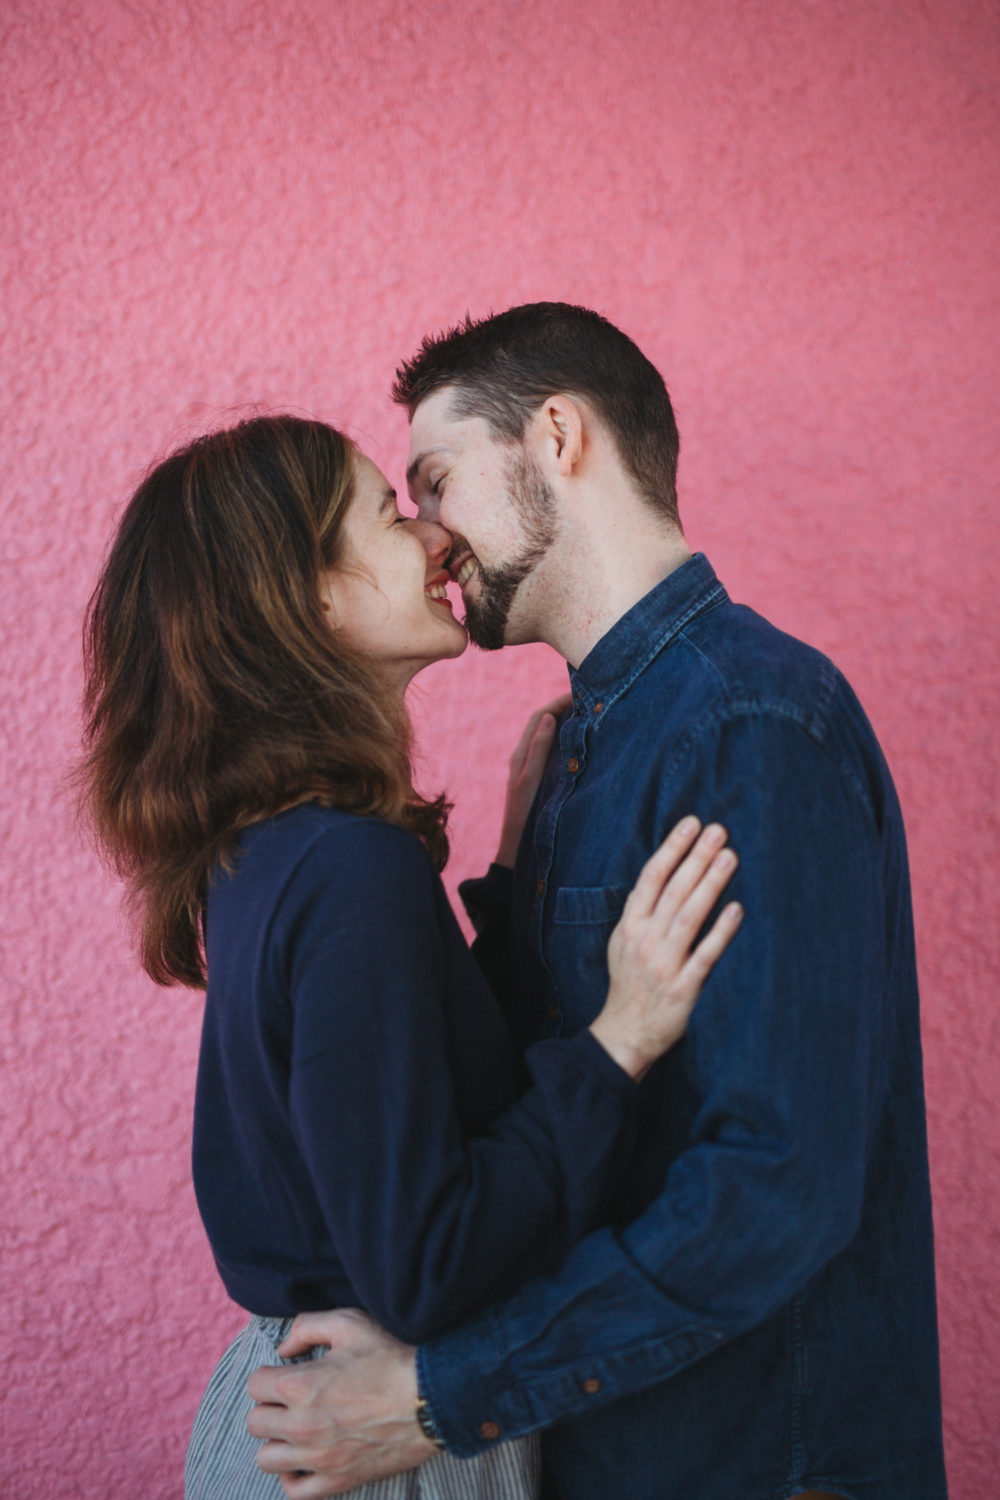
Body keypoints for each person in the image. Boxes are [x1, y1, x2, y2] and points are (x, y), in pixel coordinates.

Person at [246, 305, 948, 1500]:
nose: (428, 535)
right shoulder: (586, 744)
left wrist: (436, 1395)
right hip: (614, 1456)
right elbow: (533, 1109)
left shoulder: (750, 723)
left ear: (557, 436)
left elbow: (777, 1186)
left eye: (437, 479)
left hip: (757, 1467)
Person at [79, 413, 744, 1499]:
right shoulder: (349, 870)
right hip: (372, 1443)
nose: (437, 539)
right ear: (310, 598)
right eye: (392, 515)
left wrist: (508, 870)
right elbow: (424, 1265)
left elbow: (417, 1095)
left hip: (297, 1413)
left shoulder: (284, 850)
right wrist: (618, 1041)